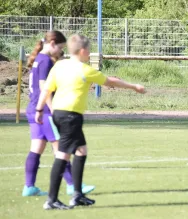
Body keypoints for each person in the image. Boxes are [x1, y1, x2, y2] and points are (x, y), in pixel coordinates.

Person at [35, 34, 146, 210]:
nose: (89, 53)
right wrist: (134, 87)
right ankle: (52, 200)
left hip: (60, 113)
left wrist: (39, 110)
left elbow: (46, 90)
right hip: (70, 115)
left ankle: (77, 195)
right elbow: (110, 81)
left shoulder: (59, 66)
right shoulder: (84, 70)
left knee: (81, 151)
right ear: (83, 51)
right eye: (89, 50)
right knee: (63, 154)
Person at [22, 31, 95, 197]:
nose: (61, 51)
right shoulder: (45, 61)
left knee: (36, 148)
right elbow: (45, 88)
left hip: (33, 109)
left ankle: (29, 186)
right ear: (52, 44)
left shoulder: (38, 59)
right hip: (46, 112)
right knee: (61, 149)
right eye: (60, 48)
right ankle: (72, 185)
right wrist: (53, 109)